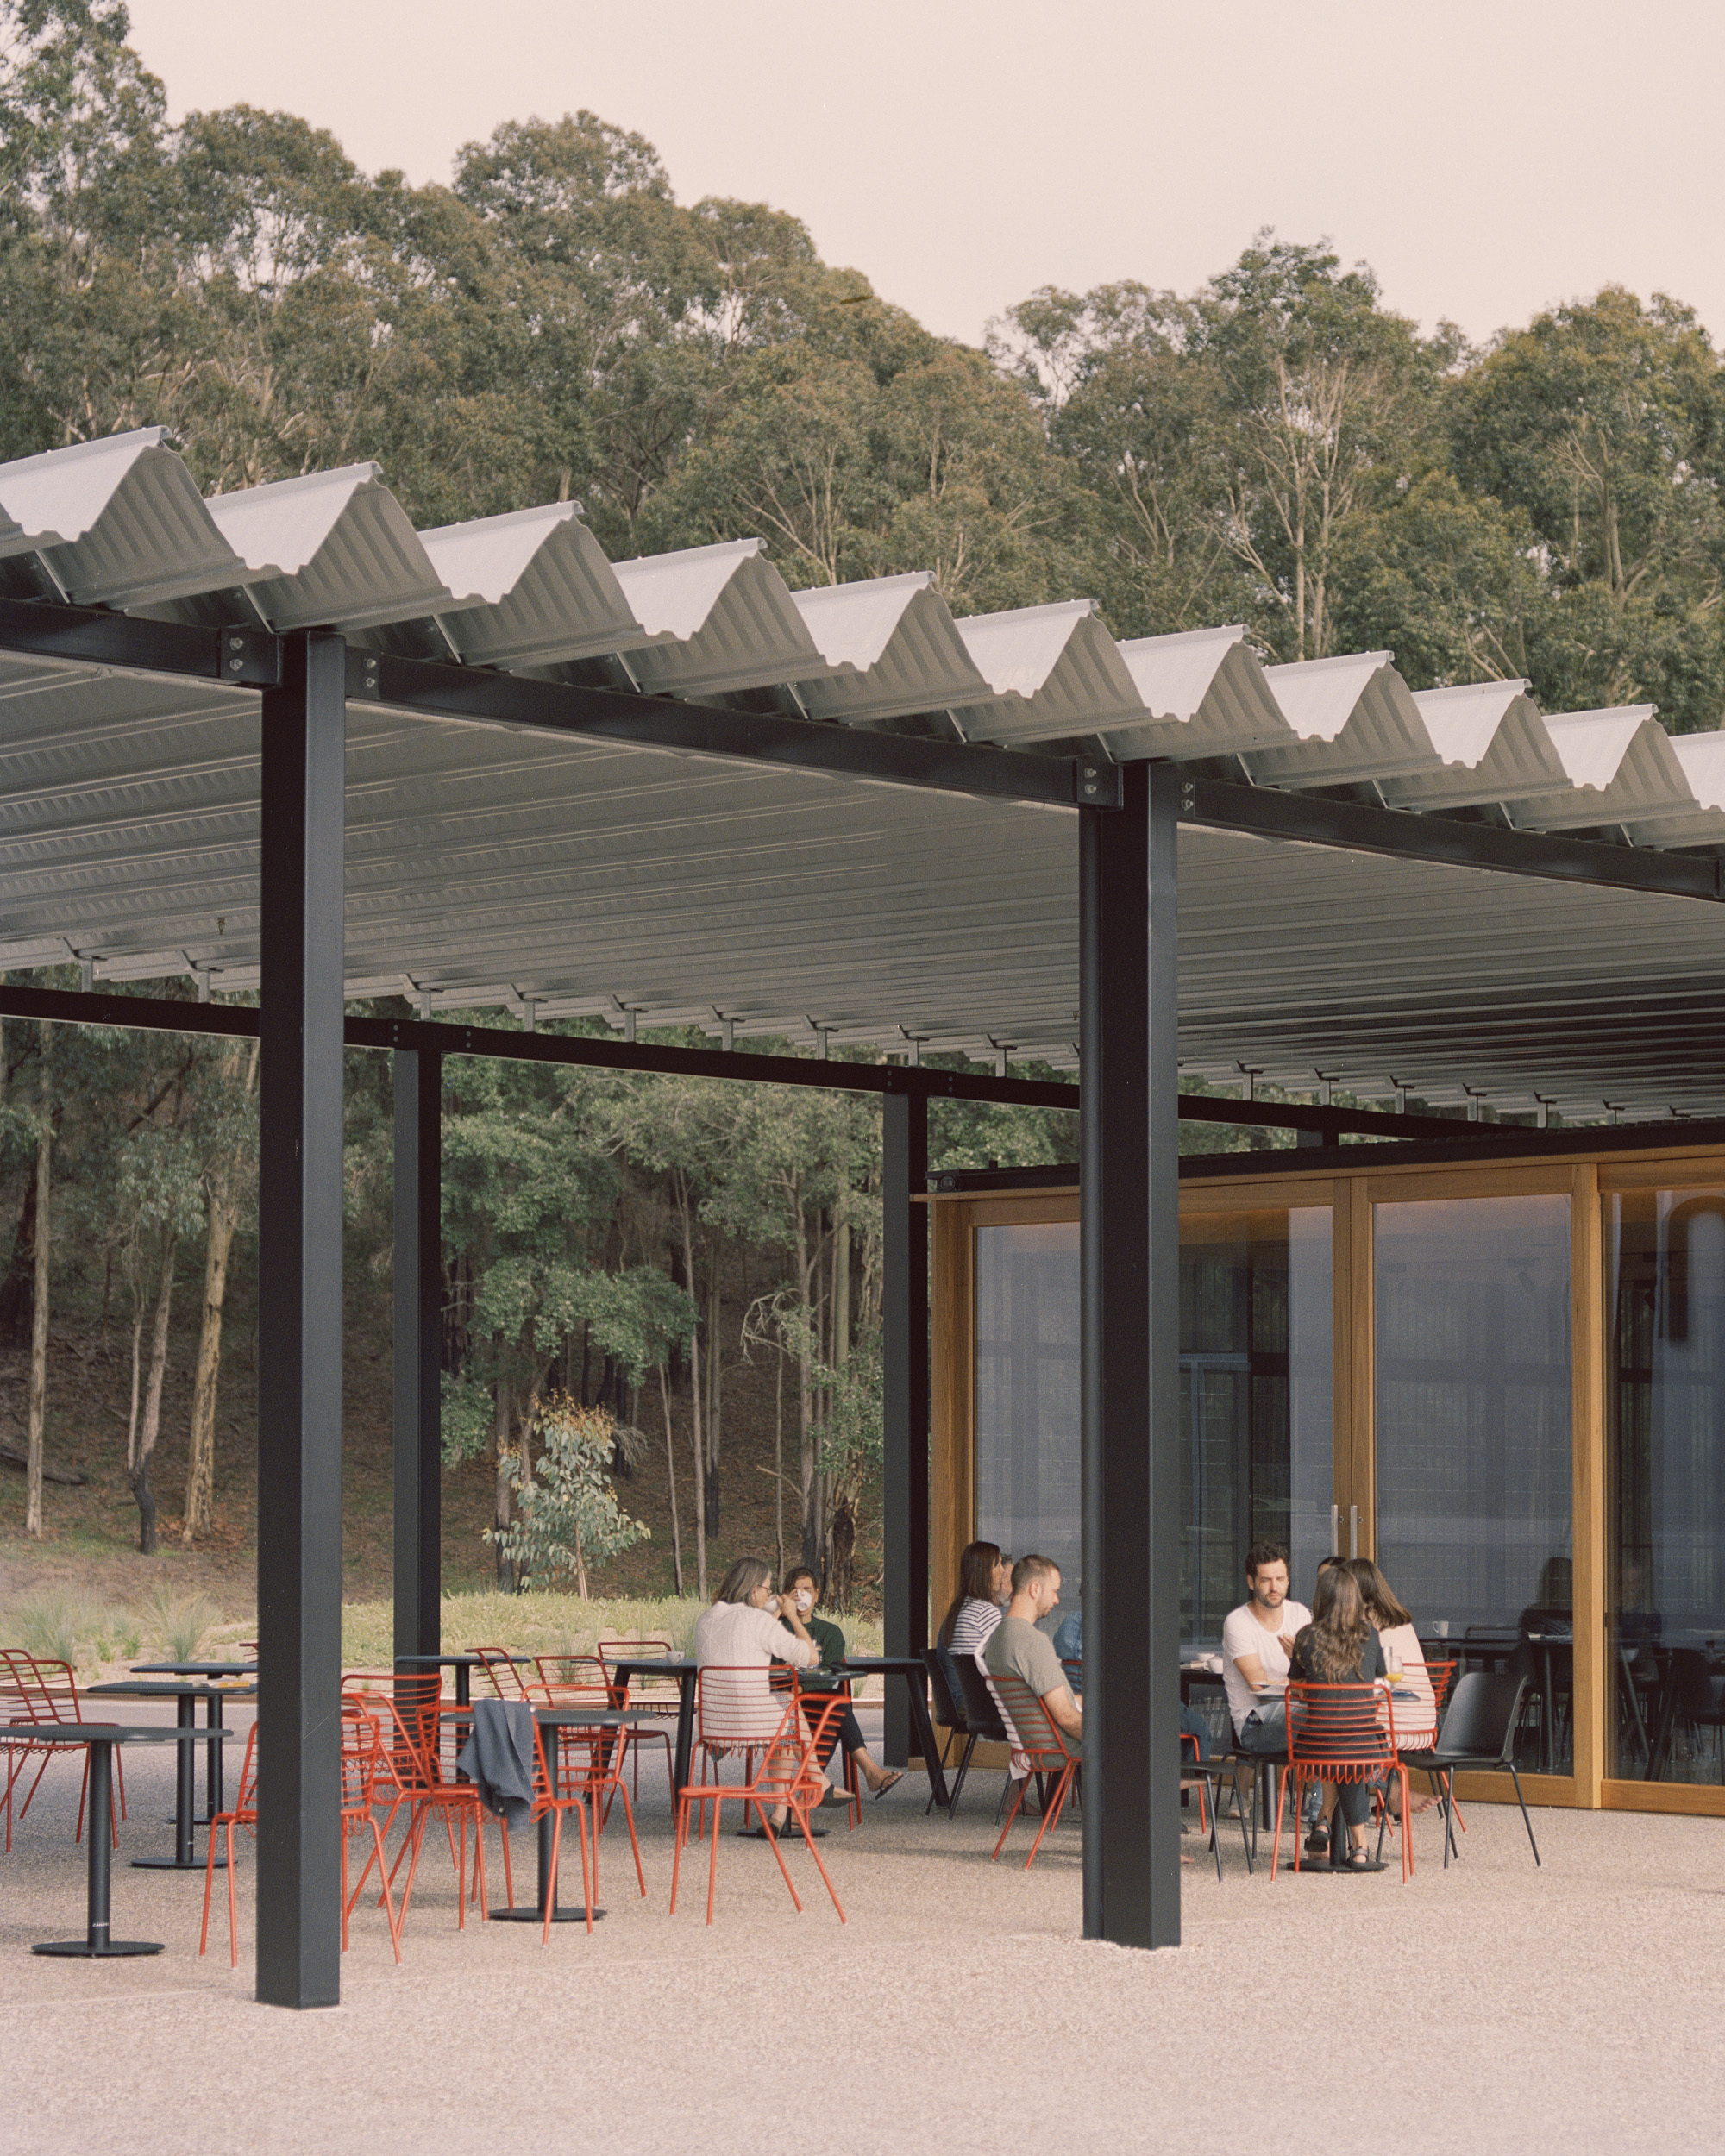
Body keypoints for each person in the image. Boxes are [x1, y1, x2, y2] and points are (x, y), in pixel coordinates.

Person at [693, 1556, 830, 1837]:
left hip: (714, 1728)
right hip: (751, 1724)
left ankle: (779, 1815)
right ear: (753, 1589)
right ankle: (819, 1780)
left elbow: (741, 1633)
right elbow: (811, 1658)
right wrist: (791, 1615)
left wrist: (770, 1612)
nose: (769, 1594)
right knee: (790, 1706)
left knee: (783, 1718)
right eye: (767, 1589)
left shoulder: (705, 1619)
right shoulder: (756, 1620)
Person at [775, 1565, 905, 1798]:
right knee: (837, 1707)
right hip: (781, 1703)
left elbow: (829, 1672)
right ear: (785, 1596)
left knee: (835, 1706)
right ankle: (868, 1772)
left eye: (806, 1589)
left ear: (816, 1594)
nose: (801, 1595)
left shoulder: (830, 1632)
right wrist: (787, 1615)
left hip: (815, 1700)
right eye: (794, 1591)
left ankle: (813, 1791)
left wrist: (803, 1686)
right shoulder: (774, 1628)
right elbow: (770, 1670)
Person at [1287, 1564, 1386, 1869]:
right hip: (1362, 1745)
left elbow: (1295, 1687)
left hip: (1316, 1744)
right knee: (1349, 1751)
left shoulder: (1306, 1636)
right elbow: (1380, 1680)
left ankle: (1323, 1820)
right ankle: (1360, 1845)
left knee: (1335, 1750)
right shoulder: (1370, 1637)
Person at [1222, 1540, 1320, 1838]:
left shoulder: (1301, 1615)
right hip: (1255, 1722)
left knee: (1343, 1712)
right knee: (1318, 1710)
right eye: (1265, 1580)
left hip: (1297, 1710)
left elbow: (1320, 1674)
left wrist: (1303, 1672)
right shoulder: (1238, 1623)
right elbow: (1260, 1687)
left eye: (1280, 1579)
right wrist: (1298, 1665)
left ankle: (1319, 1810)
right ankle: (1319, 1810)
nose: (1274, 1587)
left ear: (1288, 1580)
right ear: (1252, 1582)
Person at [1050, 1598, 1213, 1759]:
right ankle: (1183, 1780)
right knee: (1199, 1727)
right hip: (1126, 1712)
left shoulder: (1068, 1624)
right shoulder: (1122, 1626)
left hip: (1081, 1712)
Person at [982, 1554, 1082, 1752]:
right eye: (1054, 1591)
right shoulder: (1032, 1642)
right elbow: (1066, 1716)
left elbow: (1055, 1700)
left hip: (1032, 1743)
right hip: (1059, 1745)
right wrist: (1105, 1740)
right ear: (1035, 1589)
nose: (1056, 1599)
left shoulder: (998, 1638)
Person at [938, 1540, 1011, 1656]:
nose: (1003, 1571)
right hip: (983, 1674)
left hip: (967, 1673)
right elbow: (1010, 1654)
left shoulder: (960, 1609)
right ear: (983, 1573)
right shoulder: (984, 1611)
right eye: (998, 1566)